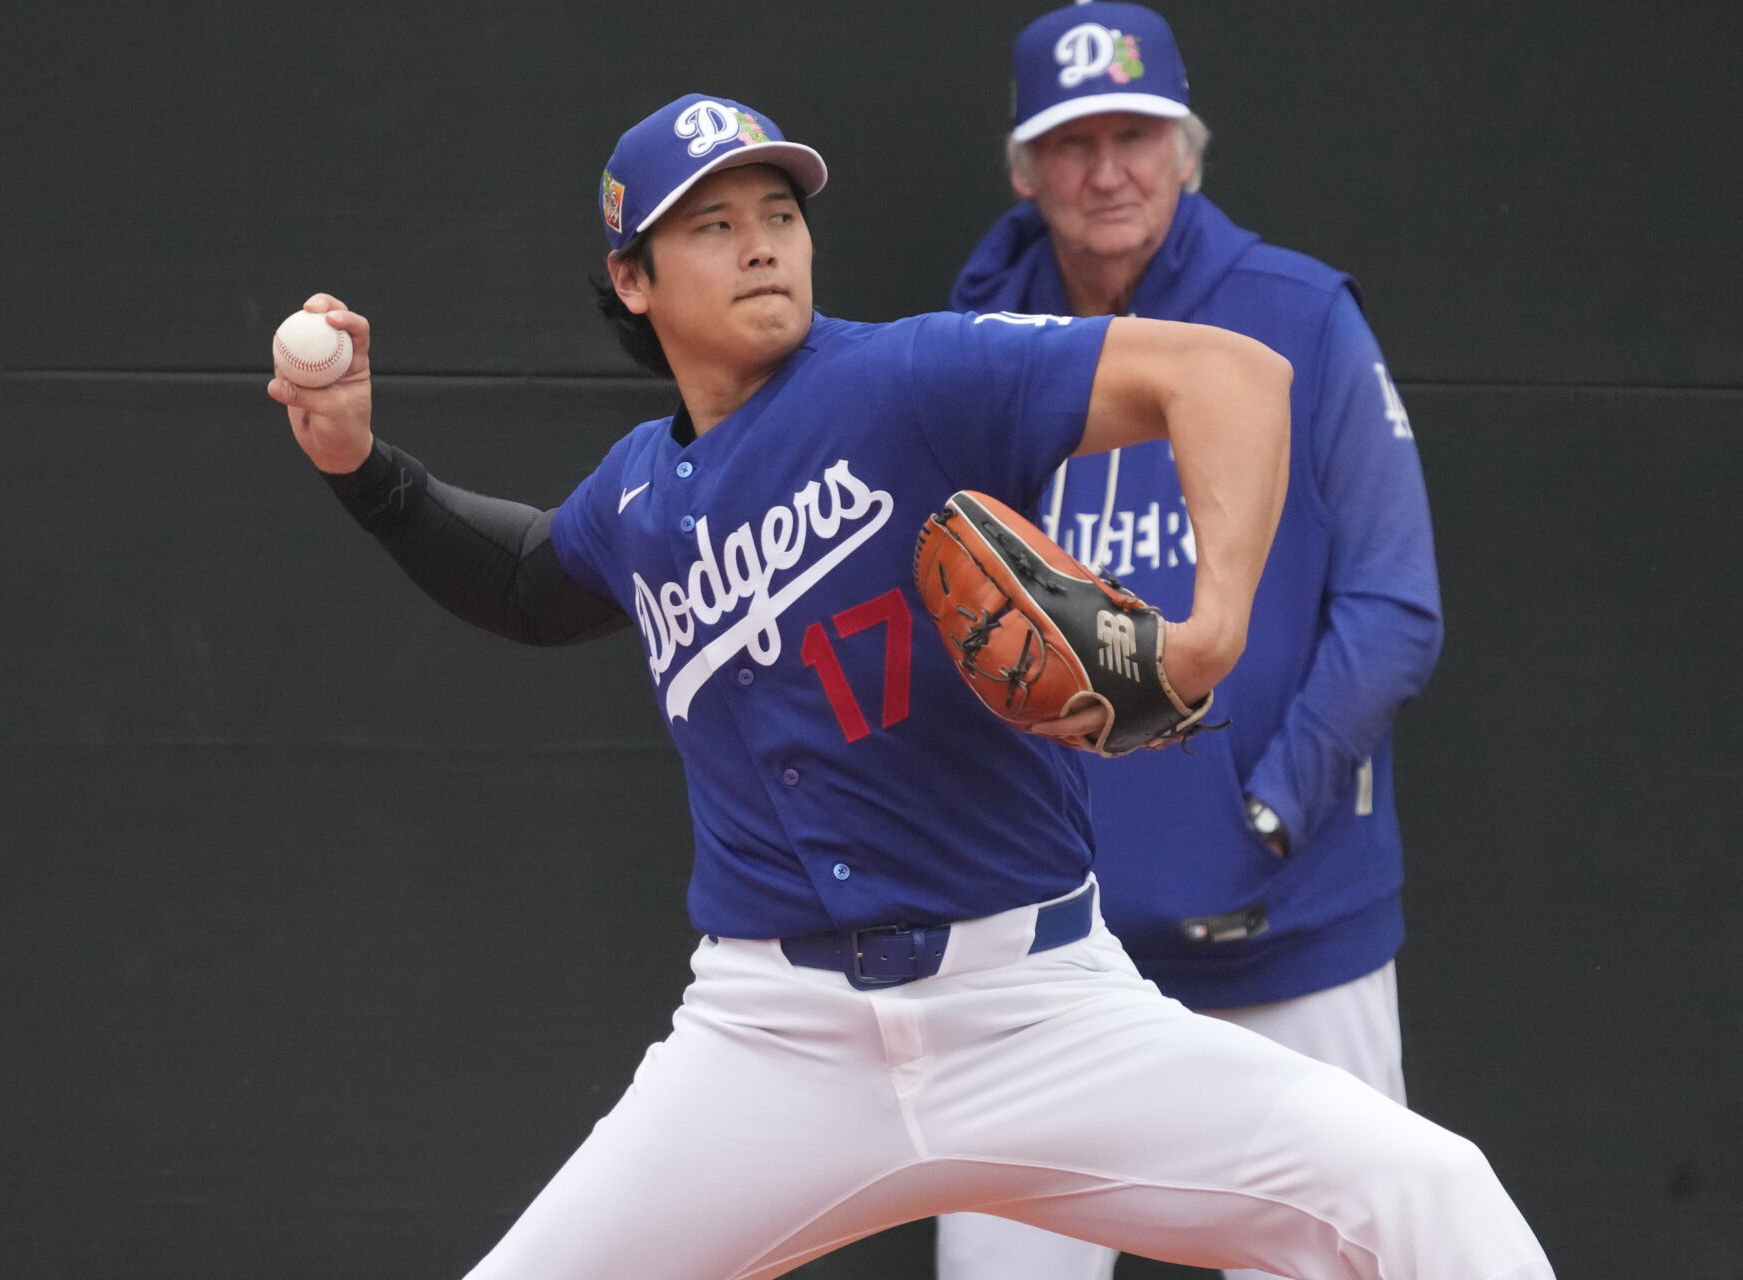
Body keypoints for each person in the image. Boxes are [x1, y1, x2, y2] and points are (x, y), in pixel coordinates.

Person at [266, 92, 1549, 1279]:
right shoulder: (640, 498)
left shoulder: (910, 375)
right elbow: (527, 583)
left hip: (1036, 1005)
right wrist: (358, 464)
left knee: (1426, 1185)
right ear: (632, 278)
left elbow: (1227, 373)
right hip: (772, 1038)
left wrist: (1209, 634)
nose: (762, 243)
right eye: (713, 224)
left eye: (779, 215)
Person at [935, 6, 1446, 1279]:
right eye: (1074, 142)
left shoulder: (1298, 316)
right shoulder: (975, 341)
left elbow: (1393, 608)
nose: (1108, 172)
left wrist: (1266, 815)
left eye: (1137, 134)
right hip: (1040, 949)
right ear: (1023, 166)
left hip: (1288, 930)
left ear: (1187, 149)